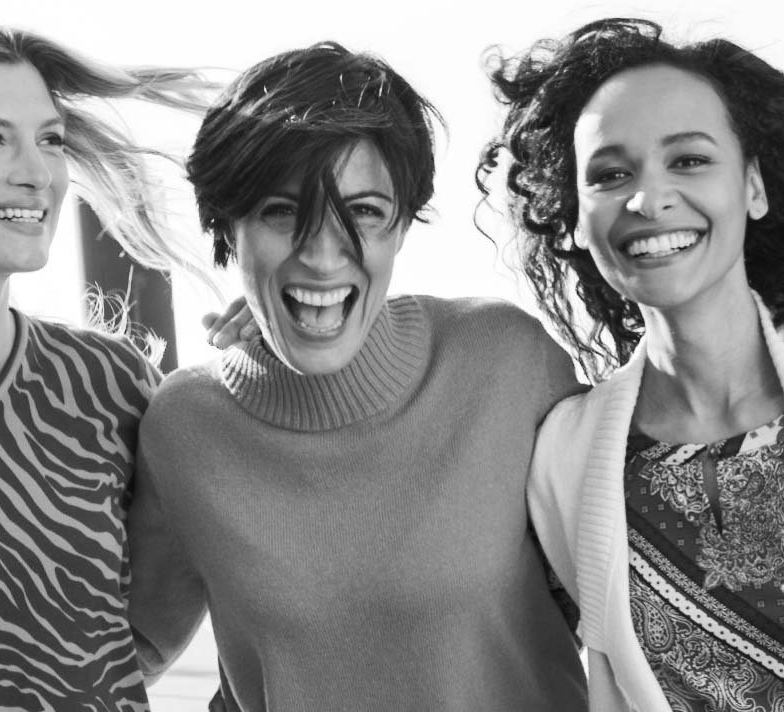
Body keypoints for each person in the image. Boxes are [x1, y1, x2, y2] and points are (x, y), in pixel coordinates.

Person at [128, 41, 588, 711]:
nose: (321, 254)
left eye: (364, 212)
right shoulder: (184, 425)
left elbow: (637, 590)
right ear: (227, 224)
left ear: (402, 225)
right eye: (281, 211)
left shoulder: (508, 361)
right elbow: (127, 650)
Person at [0, 20, 215, 709]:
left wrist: (267, 365)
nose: (37, 174)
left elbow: (146, 633)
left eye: (50, 140)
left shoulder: (110, 385)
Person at [479, 17, 784, 712]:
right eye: (611, 175)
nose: (648, 200)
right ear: (573, 219)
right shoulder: (561, 458)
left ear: (753, 187)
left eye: (689, 160)